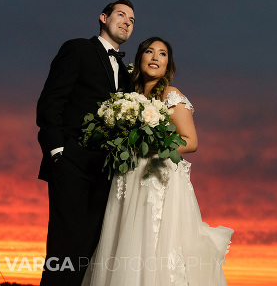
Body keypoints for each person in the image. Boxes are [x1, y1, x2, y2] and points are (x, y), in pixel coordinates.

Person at [83, 36, 233, 286]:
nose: (155, 57)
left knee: (153, 242)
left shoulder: (172, 95)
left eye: (162, 54)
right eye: (149, 52)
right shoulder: (127, 97)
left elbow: (191, 141)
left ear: (168, 64)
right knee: (123, 238)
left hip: (157, 179)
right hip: (128, 176)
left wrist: (153, 144)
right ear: (140, 58)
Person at [37, 0, 135, 286]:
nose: (127, 22)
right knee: (63, 246)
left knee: (88, 251)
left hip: (105, 172)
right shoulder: (78, 48)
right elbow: (51, 100)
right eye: (121, 15)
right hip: (71, 163)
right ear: (103, 17)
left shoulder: (127, 74)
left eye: (132, 19)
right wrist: (57, 151)